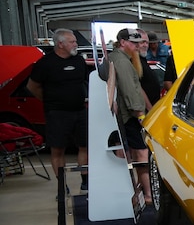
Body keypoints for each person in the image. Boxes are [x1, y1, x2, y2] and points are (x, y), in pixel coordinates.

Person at [26, 28, 89, 193]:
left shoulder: (78, 61)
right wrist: (50, 101)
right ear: (60, 44)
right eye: (72, 42)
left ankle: (85, 180)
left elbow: (84, 83)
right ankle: (62, 186)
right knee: (58, 149)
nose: (76, 44)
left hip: (80, 111)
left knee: (85, 146)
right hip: (57, 113)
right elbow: (32, 86)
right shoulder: (45, 63)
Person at [99, 28, 152, 205]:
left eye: (139, 43)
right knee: (142, 154)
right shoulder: (121, 62)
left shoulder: (120, 59)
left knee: (136, 154)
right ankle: (148, 195)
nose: (137, 47)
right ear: (123, 42)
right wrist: (140, 115)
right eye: (134, 43)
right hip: (131, 115)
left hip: (127, 114)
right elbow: (130, 91)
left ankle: (140, 191)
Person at [136, 29, 161, 107]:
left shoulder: (142, 59)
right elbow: (138, 87)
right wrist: (149, 107)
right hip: (145, 109)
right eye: (142, 42)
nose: (145, 45)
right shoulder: (134, 61)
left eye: (147, 42)